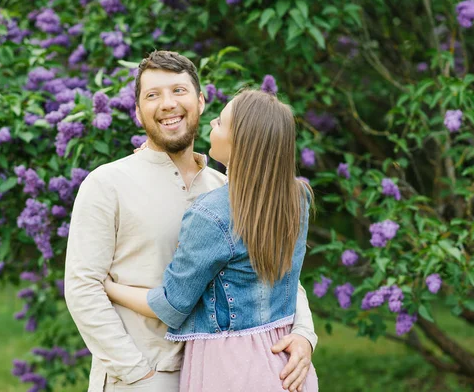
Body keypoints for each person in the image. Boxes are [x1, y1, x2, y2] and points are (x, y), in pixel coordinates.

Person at [64, 51, 317, 392]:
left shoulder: (229, 189)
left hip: (226, 372)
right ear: (138, 112)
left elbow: (278, 273)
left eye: (178, 91)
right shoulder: (107, 183)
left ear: (200, 101)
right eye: (152, 95)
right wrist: (137, 375)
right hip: (145, 376)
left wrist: (303, 334)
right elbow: (83, 289)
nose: (167, 103)